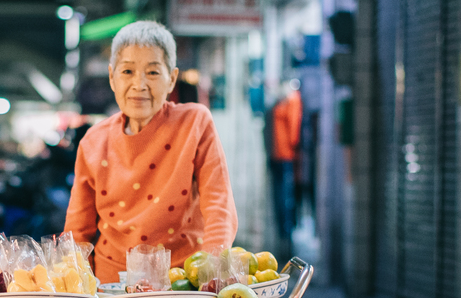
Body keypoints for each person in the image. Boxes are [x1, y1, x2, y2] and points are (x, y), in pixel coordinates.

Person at [64, 21, 237, 282]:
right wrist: (79, 290)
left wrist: (211, 277)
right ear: (112, 77)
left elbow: (219, 207)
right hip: (112, 288)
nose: (139, 84)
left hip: (183, 283)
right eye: (128, 71)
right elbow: (77, 233)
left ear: (172, 79)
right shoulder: (93, 141)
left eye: (153, 73)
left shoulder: (195, 123)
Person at [267, 79, 302, 253]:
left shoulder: (292, 99)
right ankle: (283, 237)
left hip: (285, 156)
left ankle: (286, 238)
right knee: (281, 197)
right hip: (278, 155)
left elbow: (294, 132)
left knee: (285, 198)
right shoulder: (284, 100)